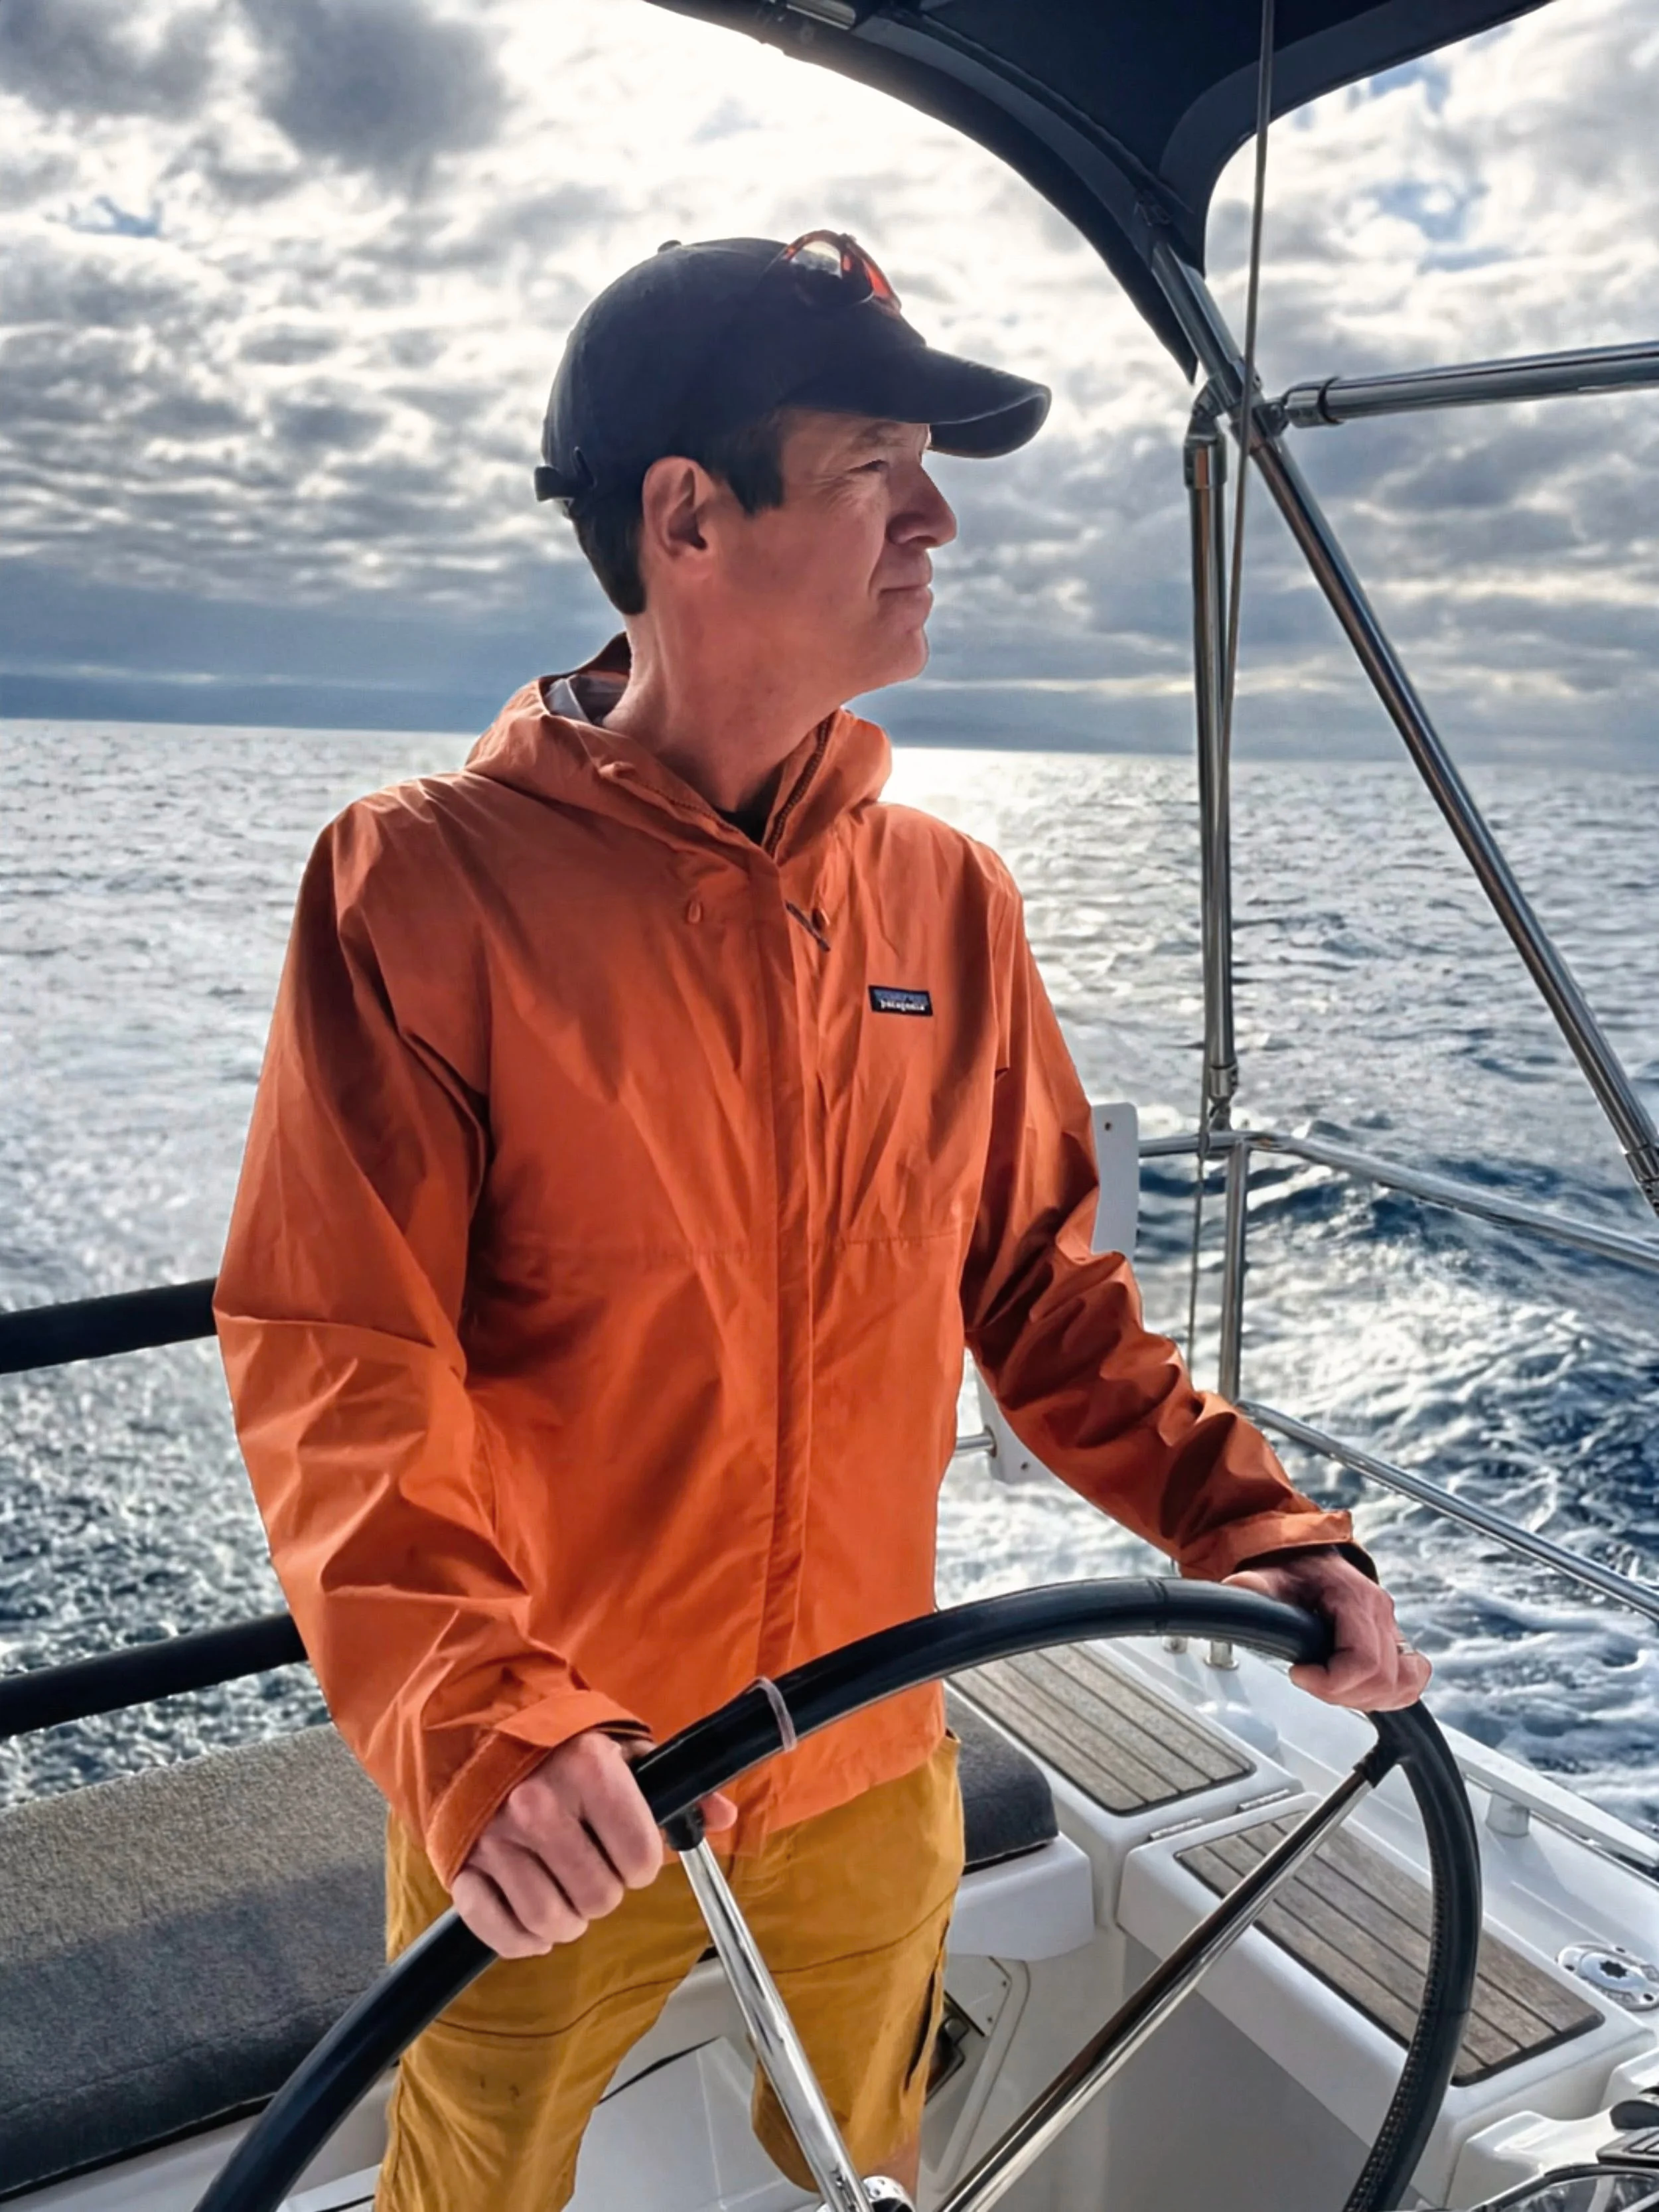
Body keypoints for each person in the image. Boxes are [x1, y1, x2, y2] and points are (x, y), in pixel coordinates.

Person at [215, 231, 1429, 2212]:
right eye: (878, 465)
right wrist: (483, 1723)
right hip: (561, 1784)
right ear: (689, 515)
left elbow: (1044, 1294)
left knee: (852, 2169)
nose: (940, 517)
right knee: (472, 2181)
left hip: (871, 1766)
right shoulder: (415, 890)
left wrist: (1254, 1519)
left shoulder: (947, 900)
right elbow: (339, 1362)